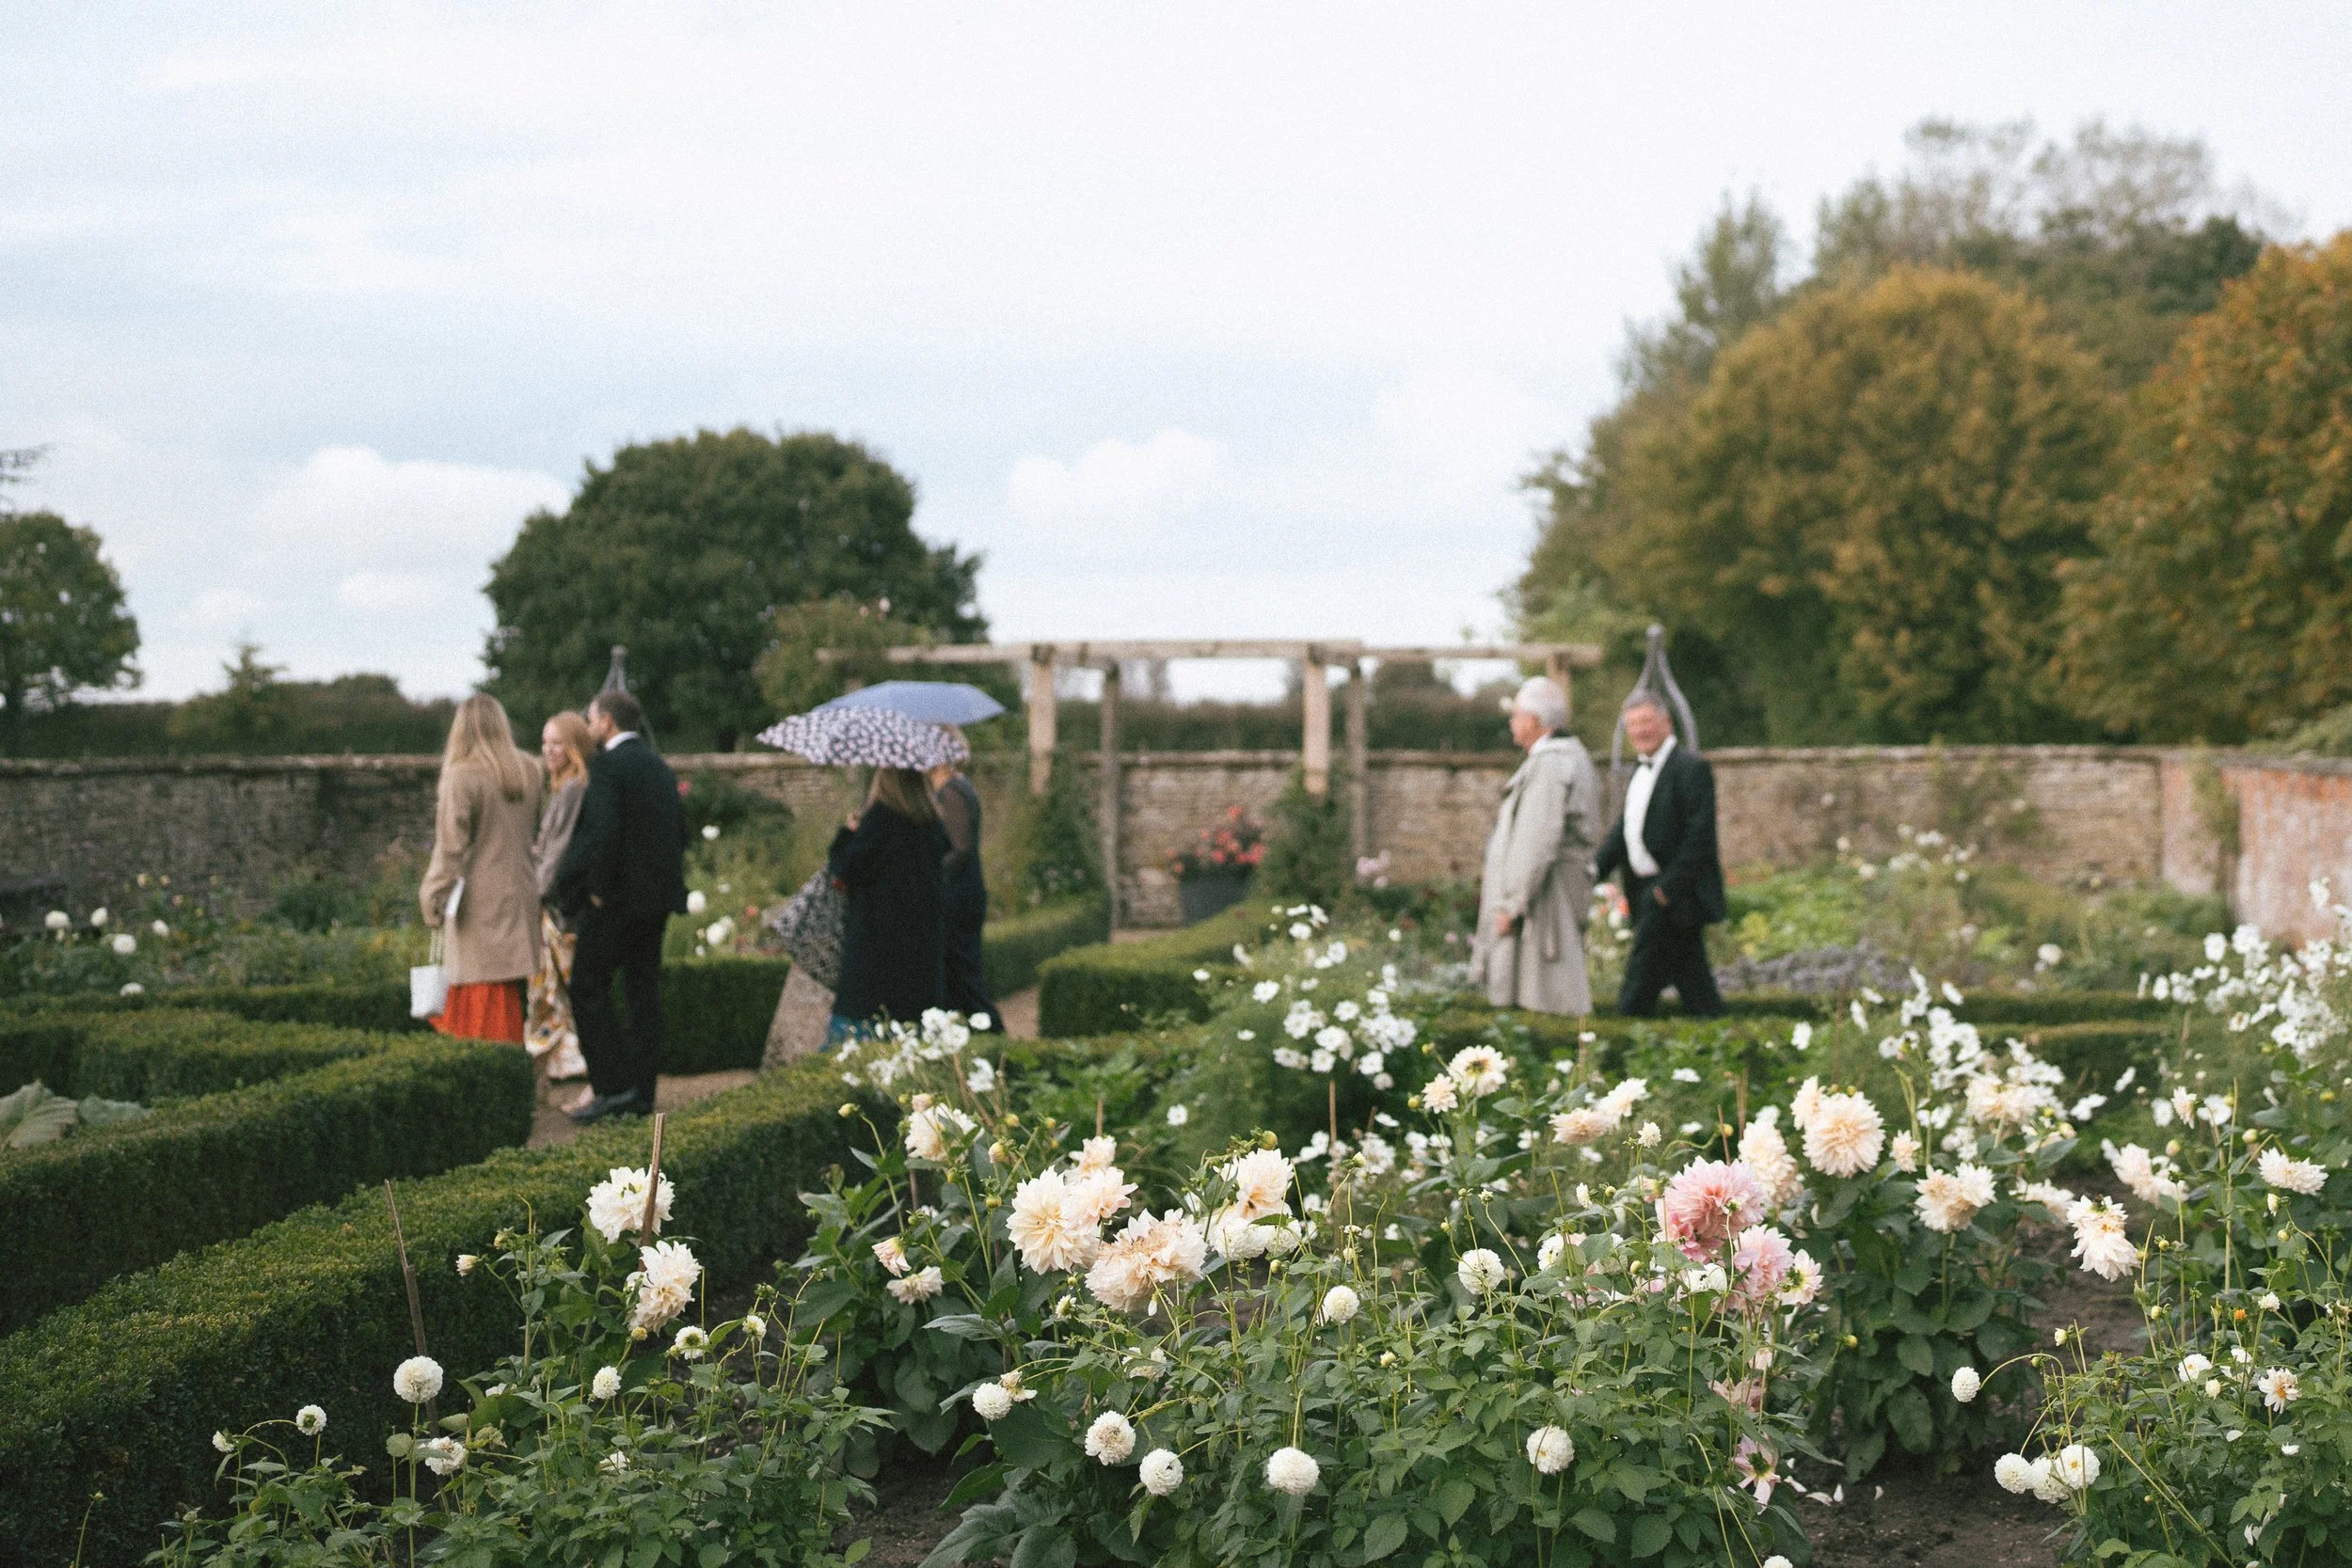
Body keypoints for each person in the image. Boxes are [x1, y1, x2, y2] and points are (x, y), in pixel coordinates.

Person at [553, 689, 690, 1123]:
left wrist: (596, 889)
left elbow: (604, 832)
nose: (589, 726)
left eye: (592, 719)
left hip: (617, 901)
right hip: (657, 901)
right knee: (642, 992)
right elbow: (679, 830)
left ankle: (612, 1089)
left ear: (607, 722)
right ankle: (642, 1093)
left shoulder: (608, 766)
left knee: (587, 986)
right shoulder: (658, 766)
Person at [1471, 675, 1604, 1016]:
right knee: (1543, 991)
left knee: (1546, 996)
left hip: (1546, 900)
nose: (1511, 722)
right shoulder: (1563, 758)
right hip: (1547, 894)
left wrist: (1511, 905)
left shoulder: (1551, 764)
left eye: (1516, 714)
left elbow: (1536, 841)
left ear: (1533, 720)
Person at [1592, 691, 1727, 1017]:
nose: (1640, 730)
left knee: (1638, 986)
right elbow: (1625, 832)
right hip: (1645, 892)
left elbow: (1699, 838)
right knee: (1695, 986)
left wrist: (1666, 890)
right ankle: (1727, 1036)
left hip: (1672, 896)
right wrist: (1592, 871)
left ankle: (1618, 1038)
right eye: (1632, 724)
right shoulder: (1638, 772)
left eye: (1646, 721)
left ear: (1666, 723)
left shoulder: (1691, 768)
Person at [419, 694, 544, 1044]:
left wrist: (431, 896)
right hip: (521, 892)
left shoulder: (461, 776)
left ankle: (484, 1070)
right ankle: (513, 1065)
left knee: (477, 997)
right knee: (507, 993)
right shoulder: (529, 770)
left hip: (478, 901)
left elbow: (450, 850)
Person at [826, 766, 948, 1043]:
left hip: (876, 947)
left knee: (857, 1037)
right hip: (920, 950)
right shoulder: (931, 823)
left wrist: (847, 833)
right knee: (912, 1038)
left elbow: (845, 871)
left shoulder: (881, 819)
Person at [528, 710, 593, 1092]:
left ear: (573, 747)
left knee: (559, 988)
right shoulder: (564, 786)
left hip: (561, 909)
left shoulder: (573, 789)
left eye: (557, 743)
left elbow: (559, 850)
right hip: (558, 903)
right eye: (545, 743)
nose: (549, 750)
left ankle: (570, 1061)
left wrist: (536, 892)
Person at [929, 738, 995, 1028]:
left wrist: (931, 875)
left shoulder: (951, 790)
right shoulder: (958, 786)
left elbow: (960, 848)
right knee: (958, 980)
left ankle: (995, 1034)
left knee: (966, 981)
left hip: (958, 897)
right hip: (964, 893)